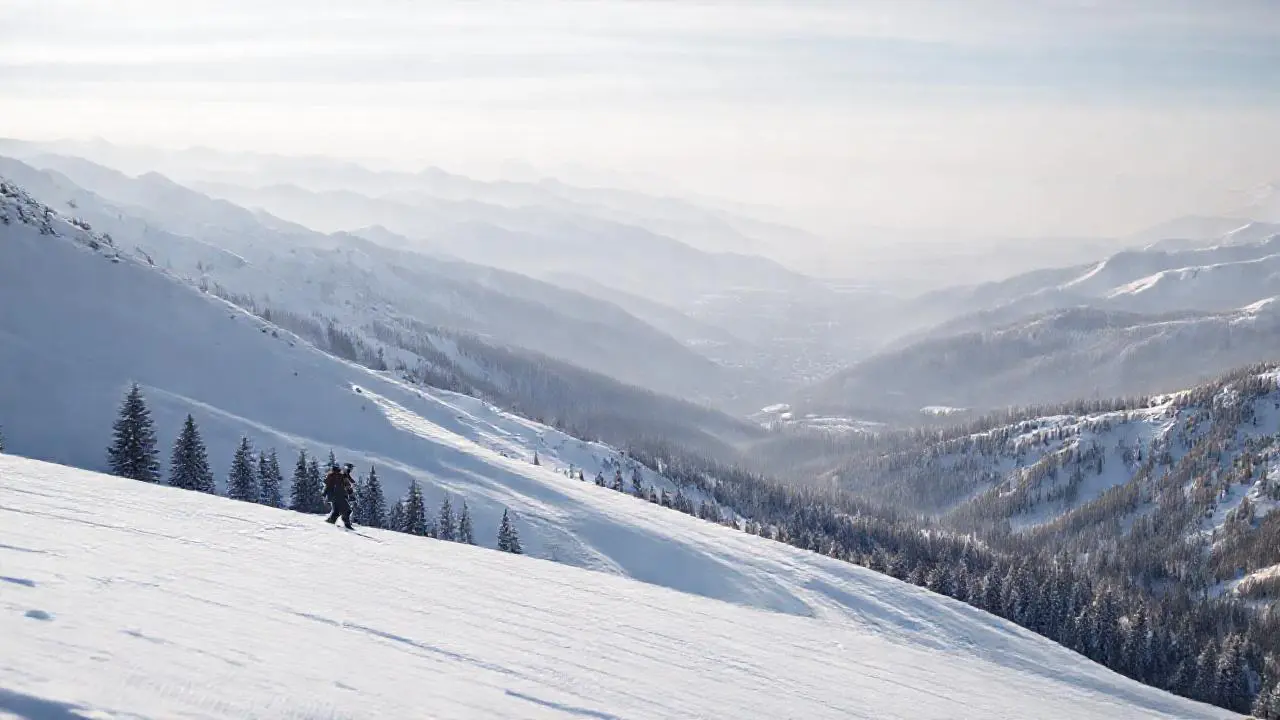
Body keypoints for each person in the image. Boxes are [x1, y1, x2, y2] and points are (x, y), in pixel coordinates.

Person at [323, 462, 356, 529]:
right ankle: (347, 525)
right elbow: (347, 486)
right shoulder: (342, 475)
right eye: (350, 469)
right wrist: (351, 495)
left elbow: (327, 483)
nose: (351, 470)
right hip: (339, 495)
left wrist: (325, 493)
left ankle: (330, 523)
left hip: (333, 496)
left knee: (336, 511)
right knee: (347, 510)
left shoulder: (336, 475)